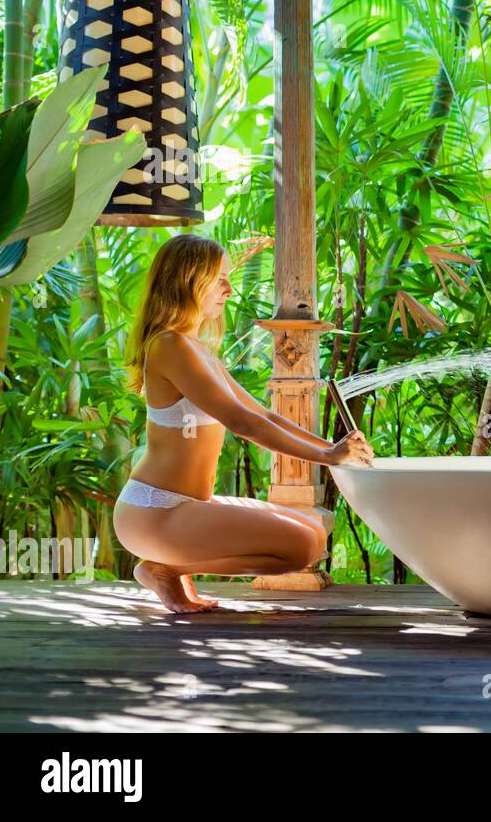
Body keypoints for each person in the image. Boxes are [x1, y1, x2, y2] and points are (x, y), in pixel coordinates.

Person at [113, 234, 372, 613]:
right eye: (219, 278)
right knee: (298, 548)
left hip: (186, 509)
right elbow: (242, 423)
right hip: (156, 511)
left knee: (315, 537)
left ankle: (167, 567)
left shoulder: (197, 349)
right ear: (189, 280)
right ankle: (164, 568)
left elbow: (263, 415)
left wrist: (331, 449)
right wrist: (328, 456)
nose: (229, 290)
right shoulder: (169, 345)